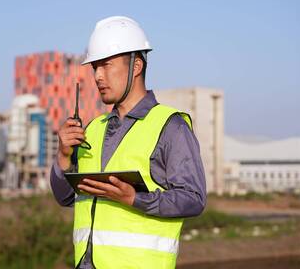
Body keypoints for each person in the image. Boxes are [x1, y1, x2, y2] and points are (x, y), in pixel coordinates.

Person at [50, 16, 206, 269]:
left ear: (136, 66)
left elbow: (193, 198)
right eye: (94, 67)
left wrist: (134, 198)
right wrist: (63, 157)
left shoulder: (171, 127)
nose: (98, 76)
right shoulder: (93, 129)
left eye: (106, 65)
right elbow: (65, 198)